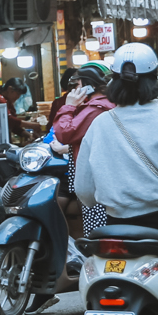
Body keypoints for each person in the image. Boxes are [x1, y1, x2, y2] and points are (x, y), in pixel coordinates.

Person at [75, 42, 158, 252]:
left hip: (116, 228)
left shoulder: (100, 124)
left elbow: (84, 190)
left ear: (114, 82)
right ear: (156, 80)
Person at [52, 60, 115, 237]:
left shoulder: (96, 108)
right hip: (104, 180)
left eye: (78, 84)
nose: (75, 89)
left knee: (97, 233)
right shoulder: (103, 105)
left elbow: (65, 133)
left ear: (90, 85)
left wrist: (69, 105)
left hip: (95, 183)